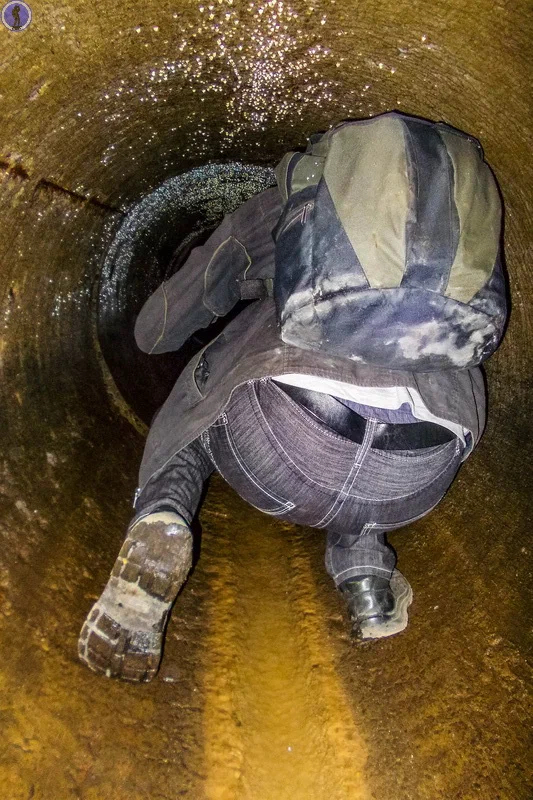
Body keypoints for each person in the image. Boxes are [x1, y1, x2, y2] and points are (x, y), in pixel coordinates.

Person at [78, 112, 502, 683]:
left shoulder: (298, 187)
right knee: (395, 374)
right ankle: (365, 578)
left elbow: (155, 333)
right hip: (426, 469)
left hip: (284, 456)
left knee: (209, 383)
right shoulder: (460, 219)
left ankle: (161, 514)